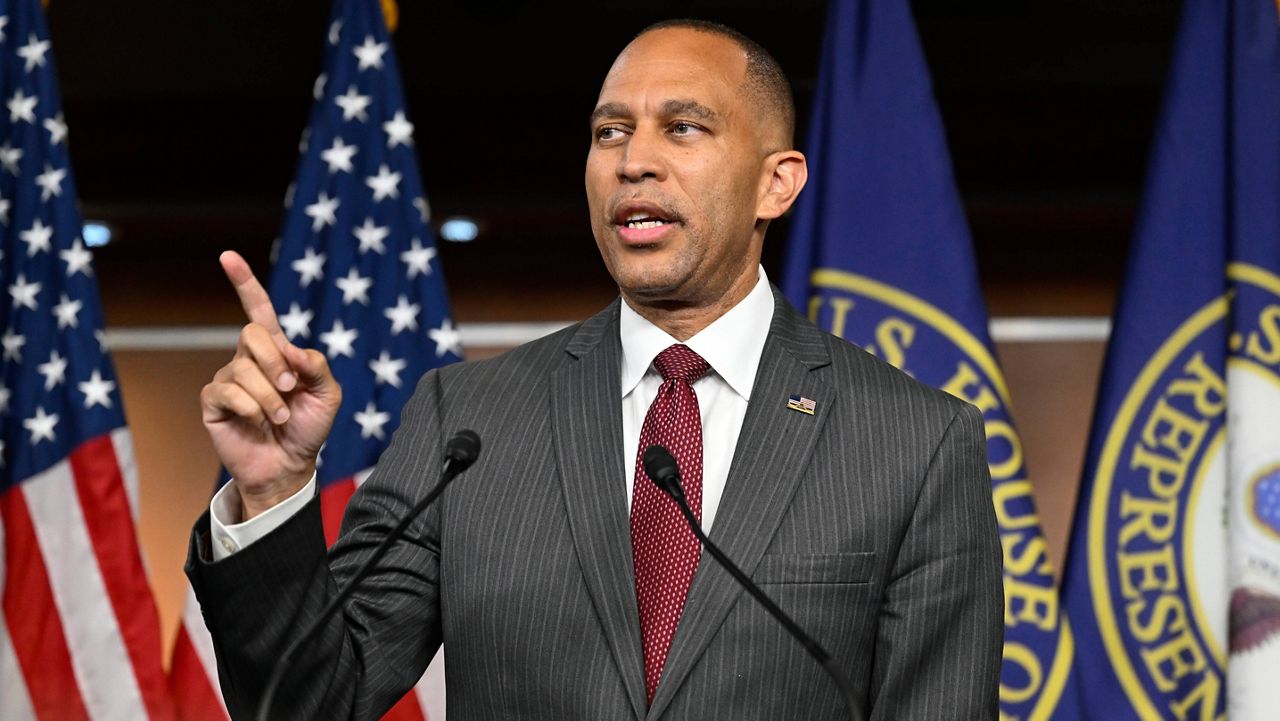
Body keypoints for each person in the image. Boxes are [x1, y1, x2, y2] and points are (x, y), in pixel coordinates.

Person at [188, 18, 1003, 721]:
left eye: (683, 128)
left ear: (775, 183)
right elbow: (308, 700)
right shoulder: (466, 420)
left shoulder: (917, 442)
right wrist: (272, 488)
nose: (633, 160)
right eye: (611, 131)